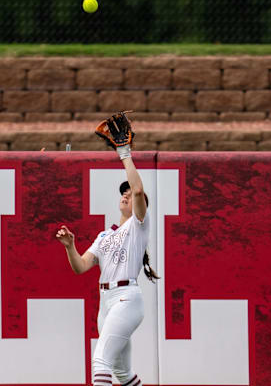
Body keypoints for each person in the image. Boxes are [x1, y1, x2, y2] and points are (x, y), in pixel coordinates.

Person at [56, 112, 159, 386]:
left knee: (100, 360)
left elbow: (138, 191)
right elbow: (80, 267)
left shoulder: (138, 225)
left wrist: (124, 153)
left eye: (131, 194)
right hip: (106, 303)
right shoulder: (104, 236)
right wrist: (70, 247)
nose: (127, 194)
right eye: (123, 192)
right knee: (122, 373)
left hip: (127, 298)